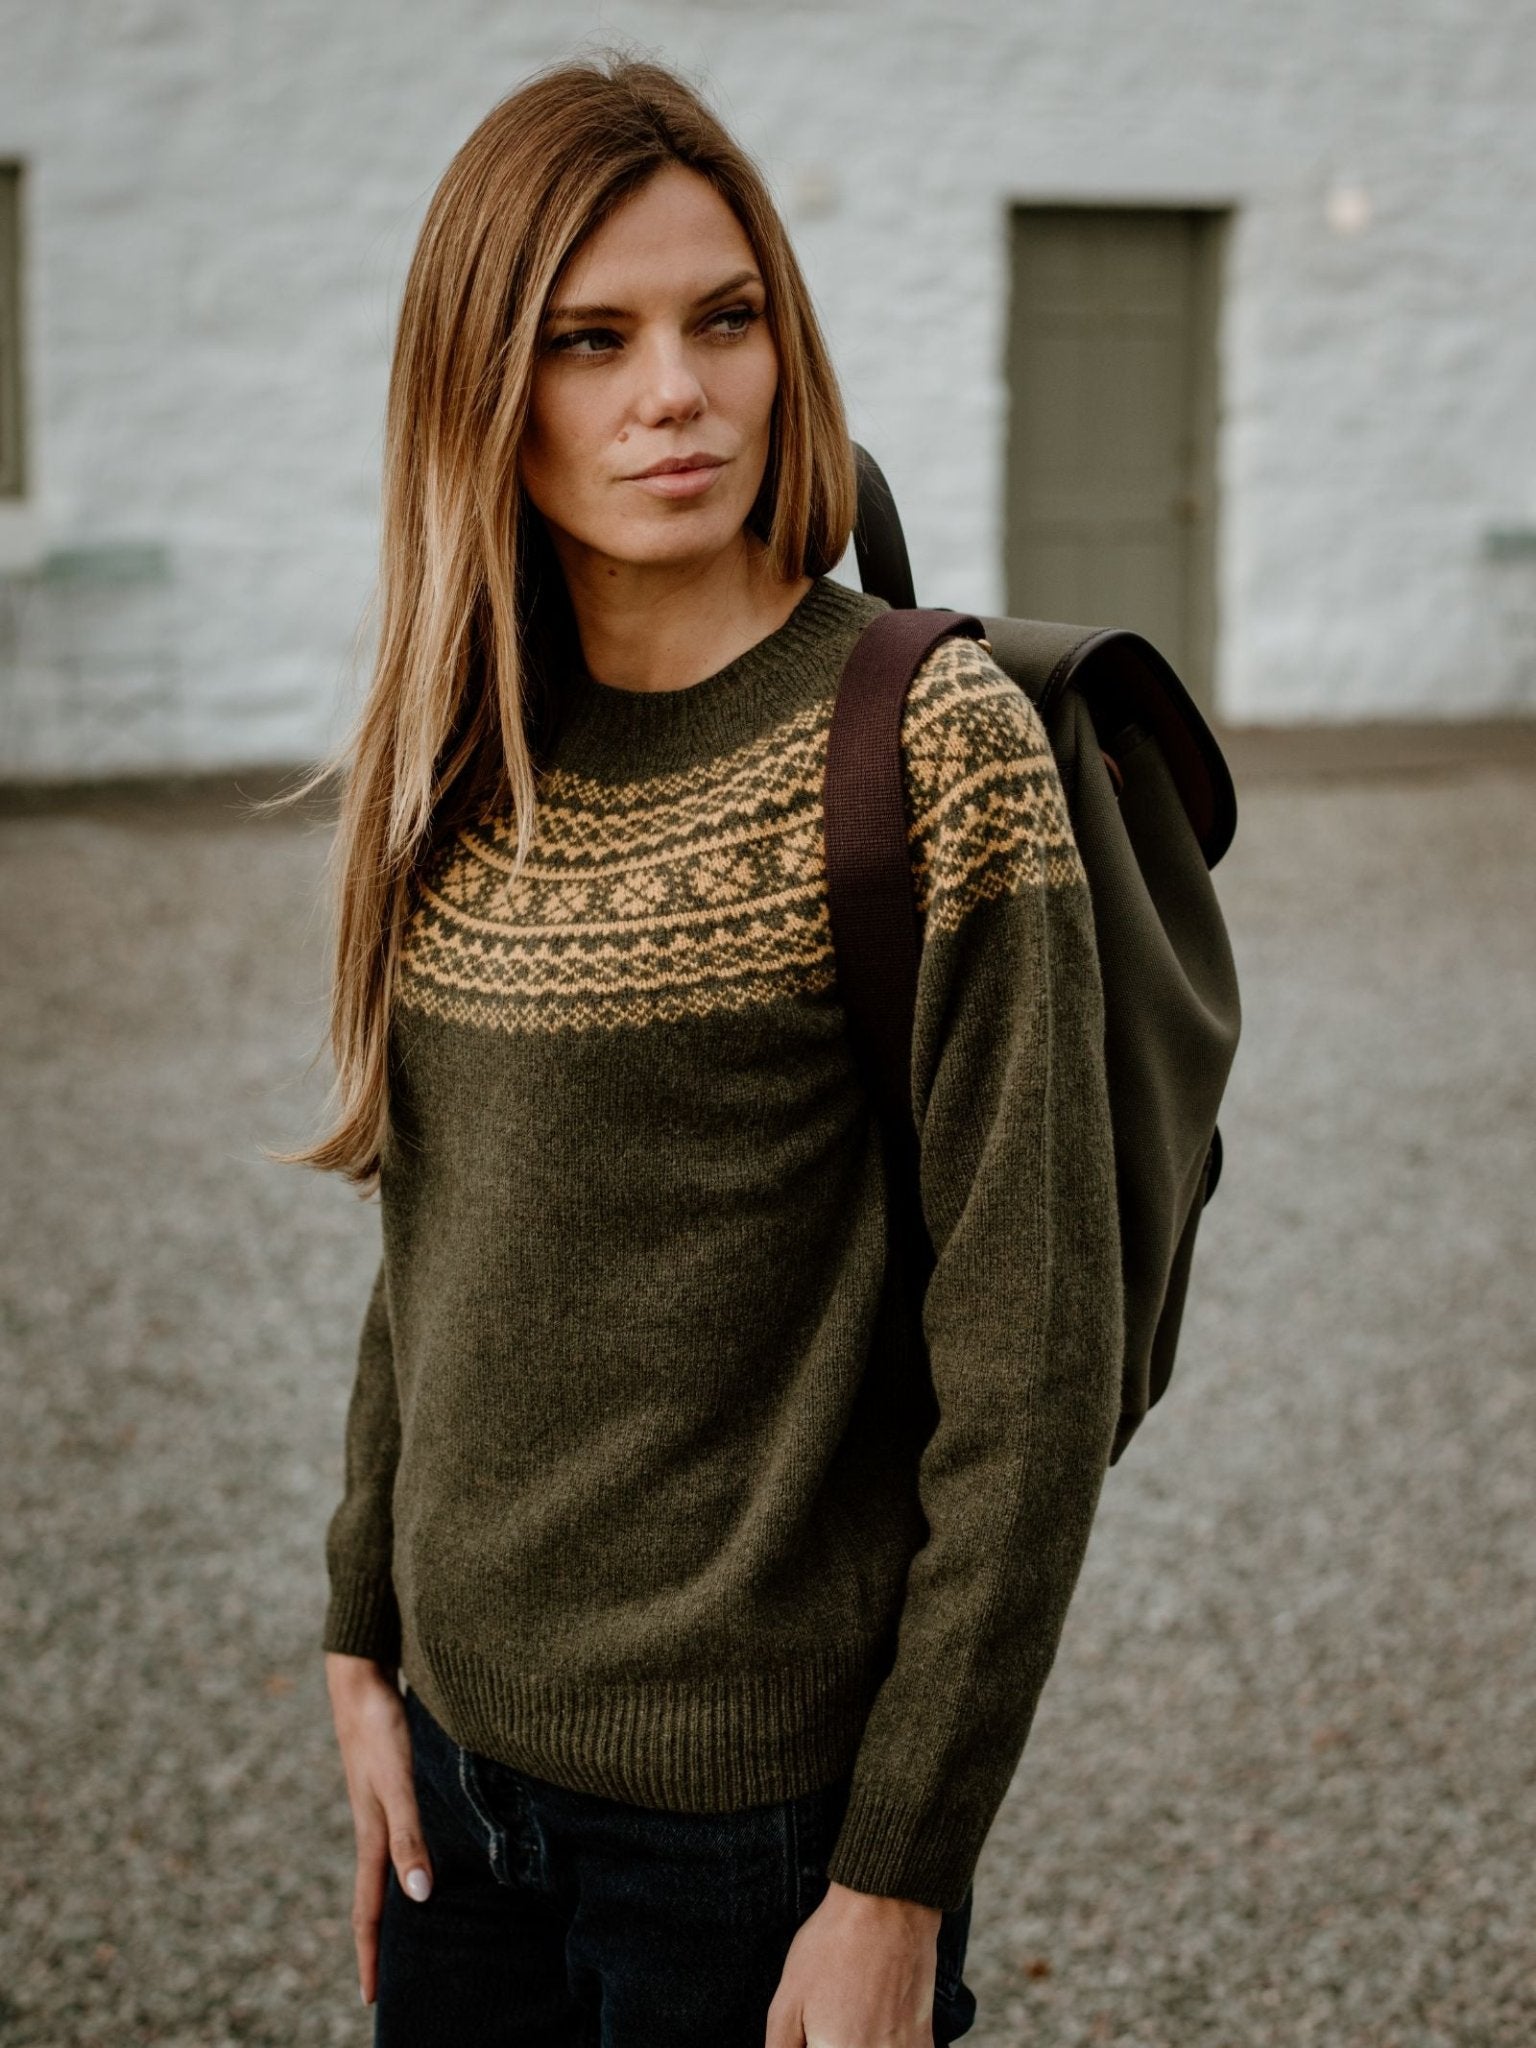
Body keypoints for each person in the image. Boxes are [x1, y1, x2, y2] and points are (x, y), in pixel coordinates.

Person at [279, 48, 1124, 2048]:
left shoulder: (931, 747)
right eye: (593, 339)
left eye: (724, 318)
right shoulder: (465, 750)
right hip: (463, 1805)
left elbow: (1036, 1369)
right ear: (483, 387)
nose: (680, 390)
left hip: (753, 1845)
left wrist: (898, 1872)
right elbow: (433, 1253)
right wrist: (359, 1639)